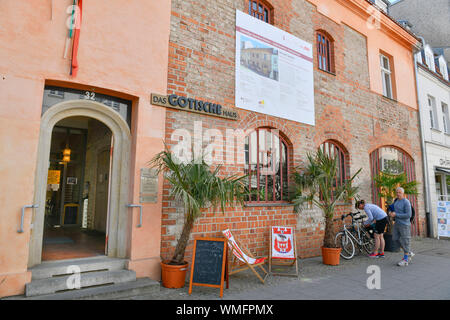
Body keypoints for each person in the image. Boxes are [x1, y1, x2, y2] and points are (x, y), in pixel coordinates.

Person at [388, 187, 415, 266]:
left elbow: (408, 215)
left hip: (404, 224)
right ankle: (409, 252)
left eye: (399, 192)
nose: (398, 194)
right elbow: (391, 208)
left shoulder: (406, 202)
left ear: (403, 193)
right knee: (395, 239)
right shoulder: (396, 201)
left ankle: (405, 259)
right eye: (397, 192)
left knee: (405, 241)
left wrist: (396, 215)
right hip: (397, 224)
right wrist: (390, 212)